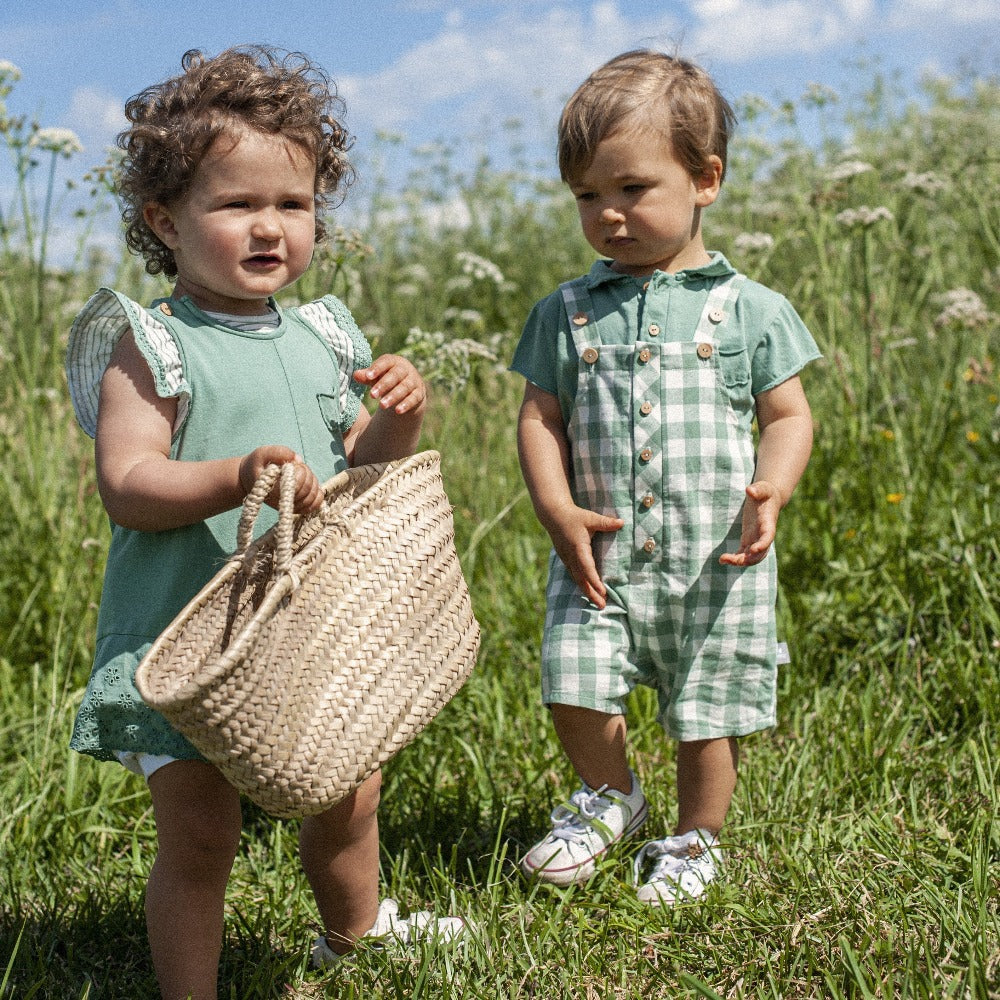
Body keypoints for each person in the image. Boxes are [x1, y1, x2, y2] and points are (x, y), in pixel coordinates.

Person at [65, 46, 463, 999]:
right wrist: (234, 473)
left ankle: (354, 934)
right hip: (185, 636)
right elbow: (128, 482)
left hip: (309, 626)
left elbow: (356, 472)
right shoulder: (153, 341)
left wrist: (398, 421)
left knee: (350, 796)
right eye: (236, 205)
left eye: (293, 205)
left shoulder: (326, 333)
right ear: (165, 220)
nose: (270, 227)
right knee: (202, 836)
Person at [511, 50, 820, 905]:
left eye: (632, 189)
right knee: (572, 683)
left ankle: (693, 839)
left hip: (713, 555)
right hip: (597, 555)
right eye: (586, 196)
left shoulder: (750, 308)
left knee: (707, 708)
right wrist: (554, 504)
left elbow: (788, 415)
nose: (608, 215)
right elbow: (541, 416)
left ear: (706, 179)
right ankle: (611, 797)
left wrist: (774, 486)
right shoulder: (565, 311)